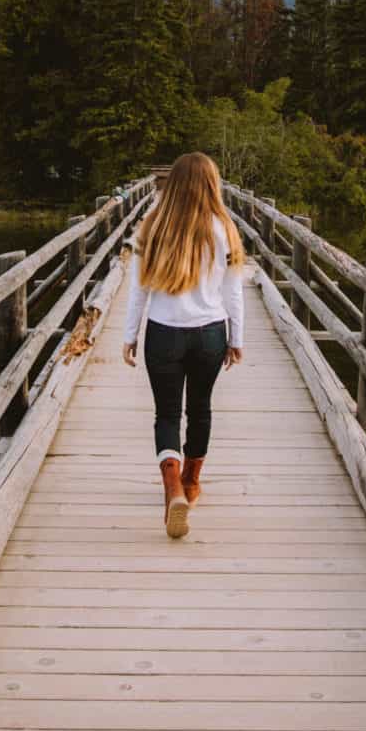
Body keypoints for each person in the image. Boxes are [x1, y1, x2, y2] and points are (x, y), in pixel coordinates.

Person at [122, 151, 245, 538]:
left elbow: (137, 289)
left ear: (172, 184)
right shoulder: (224, 227)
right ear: (212, 184)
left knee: (167, 414)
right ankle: (191, 485)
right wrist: (236, 338)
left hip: (163, 332)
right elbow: (234, 291)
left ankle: (171, 487)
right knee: (201, 409)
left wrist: (129, 335)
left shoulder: (152, 226)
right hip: (210, 332)